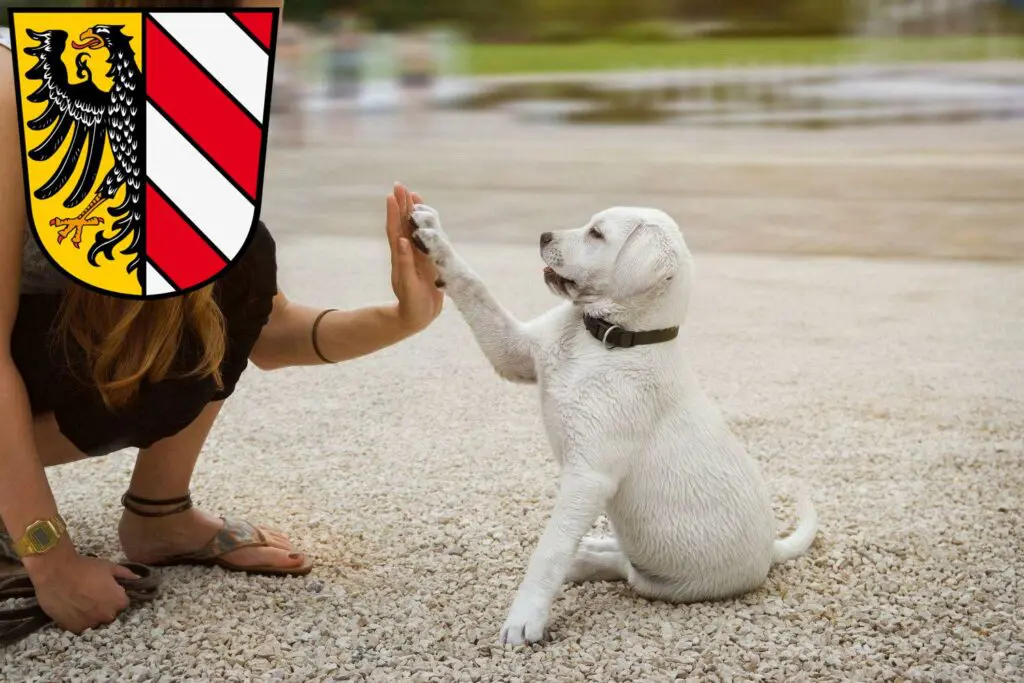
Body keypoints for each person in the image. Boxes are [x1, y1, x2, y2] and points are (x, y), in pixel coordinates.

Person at [0, 0, 442, 636]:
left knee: (237, 256)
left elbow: (258, 327)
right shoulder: (19, 87)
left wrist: (403, 317)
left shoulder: (194, 83)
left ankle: (160, 514)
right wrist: (52, 560)